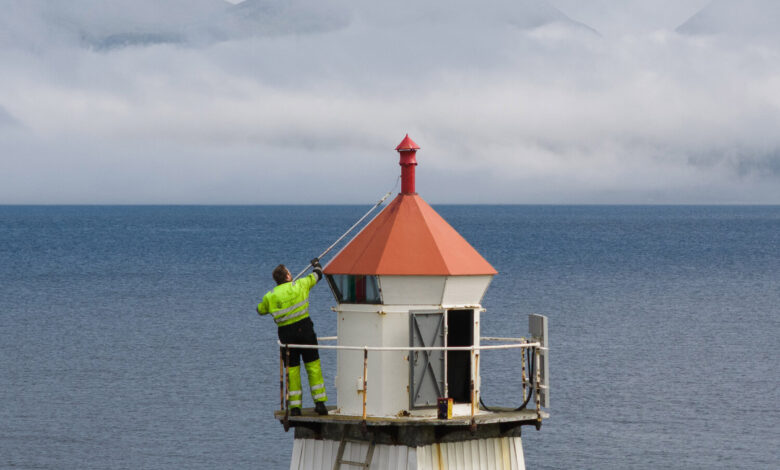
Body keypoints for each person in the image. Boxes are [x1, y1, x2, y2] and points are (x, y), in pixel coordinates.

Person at [257, 259, 328, 416]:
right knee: (313, 367)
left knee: (293, 370)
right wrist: (316, 264)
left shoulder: (270, 296)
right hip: (306, 331)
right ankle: (320, 403)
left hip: (286, 335)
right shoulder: (300, 285)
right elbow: (317, 275)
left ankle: (295, 408)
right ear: (288, 276)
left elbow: (260, 310)